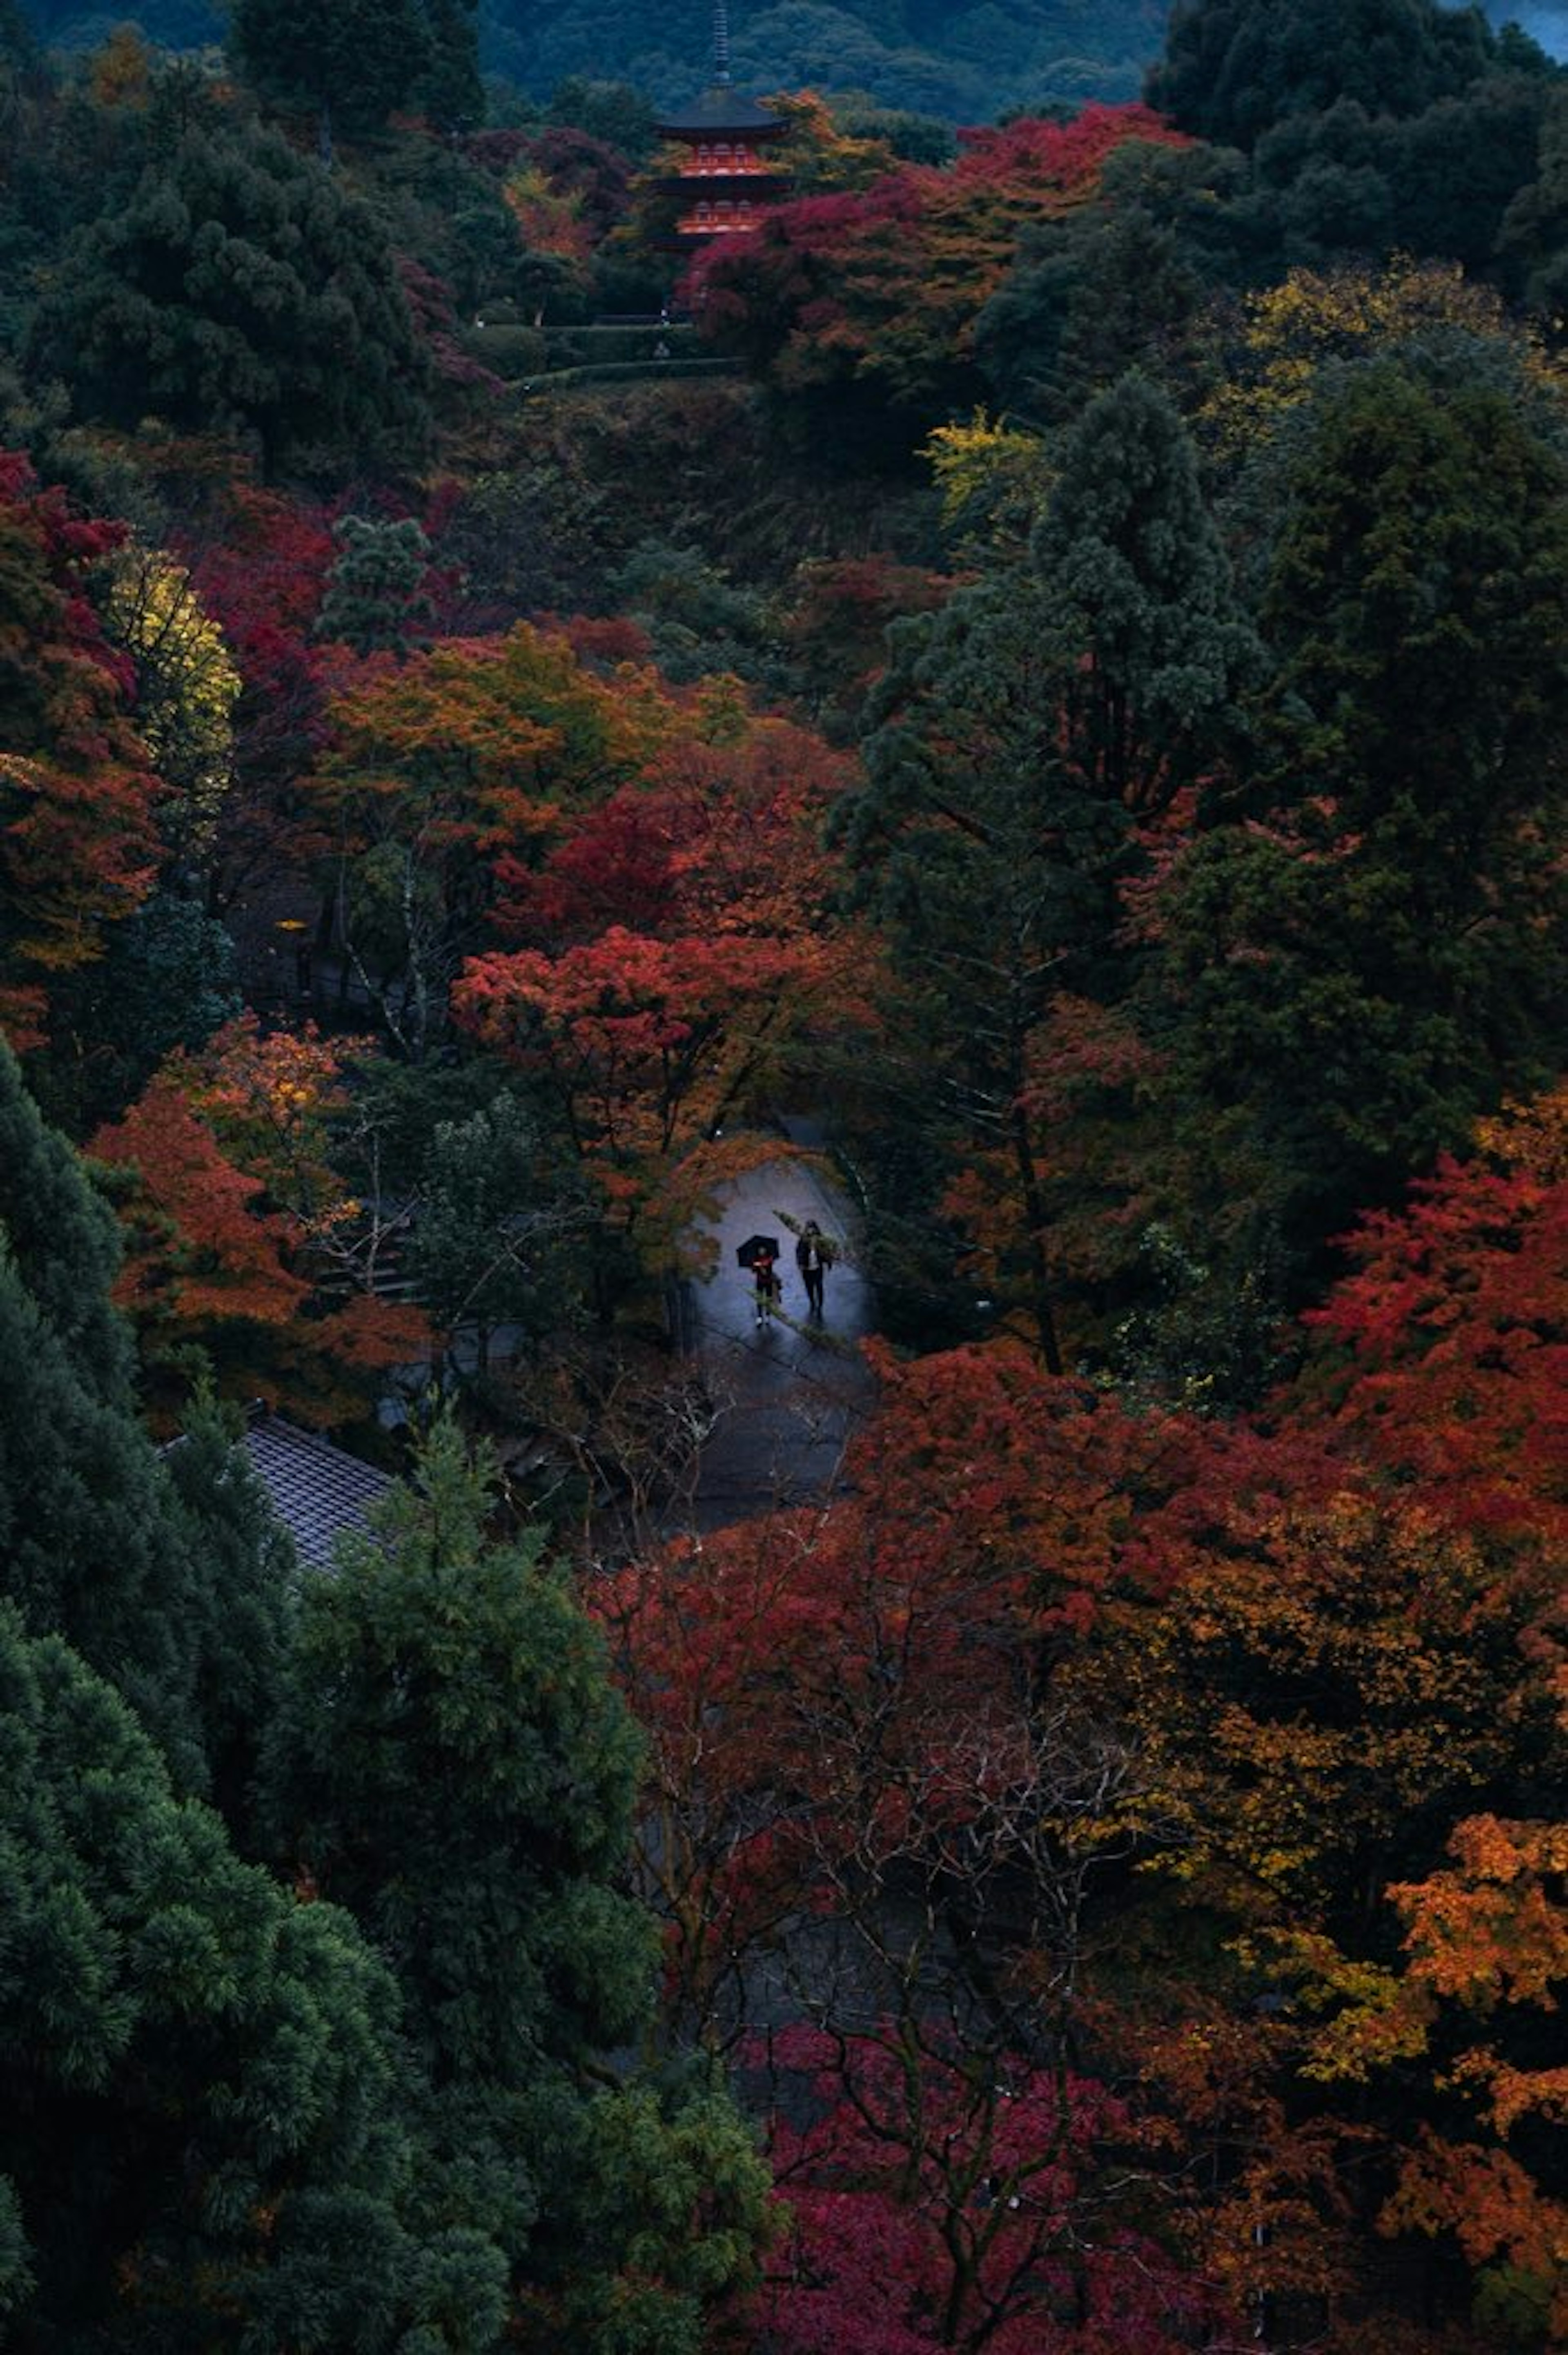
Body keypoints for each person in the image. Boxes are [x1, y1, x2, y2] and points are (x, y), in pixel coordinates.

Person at [795, 1220, 830, 1317]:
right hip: (807, 1270)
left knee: (819, 1286)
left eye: (812, 1228)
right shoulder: (803, 1241)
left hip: (817, 1268)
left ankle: (820, 1305)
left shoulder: (820, 1240)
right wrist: (800, 1264)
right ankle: (812, 1302)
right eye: (809, 1229)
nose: (811, 1231)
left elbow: (826, 1252)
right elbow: (799, 1253)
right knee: (809, 1287)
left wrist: (828, 1262)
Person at [752, 1246, 780, 1327]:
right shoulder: (756, 1259)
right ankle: (760, 1316)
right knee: (760, 1299)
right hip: (760, 1282)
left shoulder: (770, 1258)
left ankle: (768, 1315)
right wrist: (756, 1266)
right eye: (760, 1250)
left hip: (769, 1281)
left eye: (763, 1249)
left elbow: (769, 1264)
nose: (762, 1251)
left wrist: (761, 1265)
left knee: (769, 1298)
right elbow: (753, 1270)